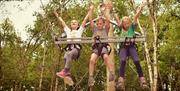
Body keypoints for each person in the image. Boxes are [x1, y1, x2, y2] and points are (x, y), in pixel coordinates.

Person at [113, 2, 148, 90]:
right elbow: (117, 19)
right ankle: (121, 80)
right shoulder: (120, 28)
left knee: (136, 60)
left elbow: (136, 17)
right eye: (125, 23)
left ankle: (142, 79)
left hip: (131, 47)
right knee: (123, 60)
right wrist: (113, 11)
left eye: (128, 23)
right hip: (123, 47)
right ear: (122, 24)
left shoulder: (132, 27)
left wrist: (140, 9)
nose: (127, 25)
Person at [53, 7, 91, 78]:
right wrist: (56, 14)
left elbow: (85, 20)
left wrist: (89, 11)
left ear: (77, 25)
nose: (73, 23)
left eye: (75, 22)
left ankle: (65, 71)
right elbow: (62, 22)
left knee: (69, 54)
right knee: (65, 57)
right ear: (70, 25)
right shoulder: (68, 31)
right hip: (69, 49)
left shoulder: (79, 30)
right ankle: (67, 73)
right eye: (72, 22)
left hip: (76, 49)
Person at [88, 4, 115, 87]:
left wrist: (104, 11)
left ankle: (111, 73)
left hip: (103, 46)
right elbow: (90, 19)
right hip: (96, 47)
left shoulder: (105, 29)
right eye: (98, 23)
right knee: (92, 60)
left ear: (103, 24)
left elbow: (108, 19)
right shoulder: (94, 28)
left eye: (101, 23)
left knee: (106, 57)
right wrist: (91, 10)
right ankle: (91, 77)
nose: (99, 25)